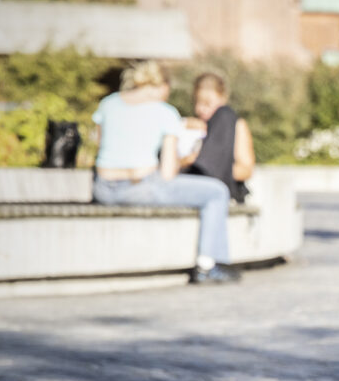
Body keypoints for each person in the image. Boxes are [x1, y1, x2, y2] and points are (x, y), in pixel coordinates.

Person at [92, 61, 239, 284]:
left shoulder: (108, 104)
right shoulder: (164, 112)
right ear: (162, 86)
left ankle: (212, 264)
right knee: (217, 192)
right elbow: (168, 173)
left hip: (102, 188)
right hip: (139, 188)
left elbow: (100, 146)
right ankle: (208, 265)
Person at [182, 73, 255, 203]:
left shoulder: (234, 124)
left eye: (207, 103)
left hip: (225, 194)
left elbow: (246, 170)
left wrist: (212, 165)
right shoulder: (192, 127)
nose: (200, 109)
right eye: (197, 102)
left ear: (222, 99)